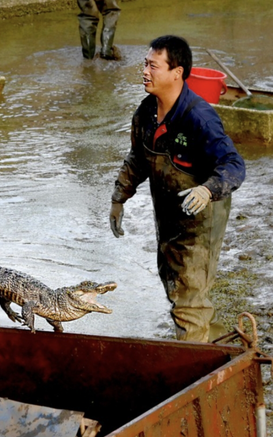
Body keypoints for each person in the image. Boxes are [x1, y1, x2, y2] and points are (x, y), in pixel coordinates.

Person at [109, 35, 245, 342]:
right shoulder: (146, 112)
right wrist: (119, 197)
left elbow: (233, 164)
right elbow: (138, 159)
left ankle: (195, 374)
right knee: (175, 286)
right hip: (167, 213)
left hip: (201, 220)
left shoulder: (199, 117)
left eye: (153, 66)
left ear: (177, 72)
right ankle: (217, 347)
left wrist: (208, 190)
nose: (144, 71)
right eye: (145, 64)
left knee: (189, 300)